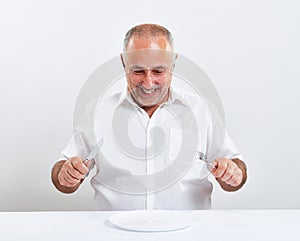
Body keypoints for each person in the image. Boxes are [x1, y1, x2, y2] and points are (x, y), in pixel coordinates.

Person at [51, 23, 247, 210]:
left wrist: (232, 174)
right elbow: (62, 176)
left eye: (158, 71)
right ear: (123, 62)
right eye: (138, 71)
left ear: (173, 63)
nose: (148, 82)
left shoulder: (201, 110)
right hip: (113, 231)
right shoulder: (97, 112)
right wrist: (66, 175)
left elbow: (235, 170)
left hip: (188, 232)